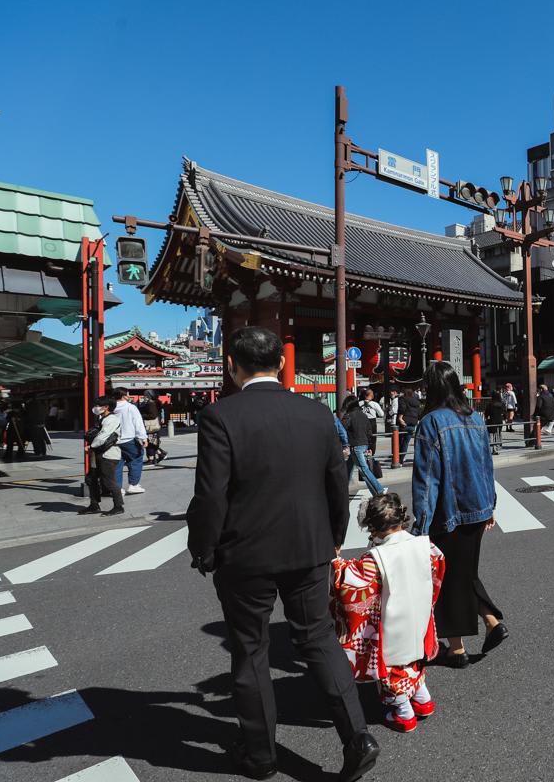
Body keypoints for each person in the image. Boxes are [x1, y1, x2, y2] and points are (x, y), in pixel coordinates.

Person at [185, 326, 379, 782]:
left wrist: (203, 547)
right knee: (317, 638)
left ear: (233, 366)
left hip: (245, 552)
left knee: (251, 649)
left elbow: (211, 495)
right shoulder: (316, 414)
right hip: (310, 545)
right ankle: (357, 736)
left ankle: (261, 754)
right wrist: (334, 535)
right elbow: (337, 481)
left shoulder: (221, 417)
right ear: (281, 364)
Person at [411, 362, 507, 669]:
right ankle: (491, 622)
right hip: (477, 508)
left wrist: (422, 524)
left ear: (432, 388)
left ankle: (457, 649)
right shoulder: (475, 418)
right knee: (463, 572)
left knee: (449, 577)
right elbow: (486, 465)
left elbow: (427, 479)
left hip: (447, 512)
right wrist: (490, 505)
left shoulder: (430, 422)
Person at [330, 492, 445, 733]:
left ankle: (403, 713)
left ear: (374, 527)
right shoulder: (426, 545)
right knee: (415, 658)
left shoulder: (376, 558)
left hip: (392, 620)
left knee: (392, 665)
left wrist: (336, 563)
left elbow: (352, 585)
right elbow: (437, 571)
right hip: (419, 613)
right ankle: (423, 700)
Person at [80, 396, 124, 516]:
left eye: (99, 405)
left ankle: (118, 506)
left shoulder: (112, 419)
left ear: (106, 407)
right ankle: (94, 505)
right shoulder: (102, 418)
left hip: (109, 454)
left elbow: (103, 436)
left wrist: (91, 446)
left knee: (109, 481)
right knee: (91, 478)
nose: (96, 407)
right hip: (99, 453)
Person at [341, 395, 386, 496]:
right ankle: (343, 491)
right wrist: (369, 446)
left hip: (355, 445)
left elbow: (342, 430)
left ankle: (378, 490)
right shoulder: (363, 415)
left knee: (364, 470)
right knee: (348, 468)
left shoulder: (348, 416)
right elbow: (369, 431)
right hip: (364, 444)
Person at [113, 388, 148, 495]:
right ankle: (133, 485)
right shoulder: (130, 407)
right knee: (136, 459)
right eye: (128, 394)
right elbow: (138, 423)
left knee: (117, 464)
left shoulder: (111, 407)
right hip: (128, 439)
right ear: (124, 396)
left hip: (114, 440)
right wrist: (143, 437)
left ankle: (117, 488)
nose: (129, 396)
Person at [139, 390, 168, 465]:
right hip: (153, 425)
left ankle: (156, 456)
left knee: (150, 441)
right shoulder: (154, 402)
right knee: (151, 441)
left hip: (151, 426)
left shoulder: (151, 404)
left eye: (145, 395)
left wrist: (142, 415)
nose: (144, 396)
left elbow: (153, 415)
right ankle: (158, 454)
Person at [395, 386, 421, 465]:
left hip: (404, 422)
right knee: (406, 442)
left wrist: (400, 418)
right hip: (413, 423)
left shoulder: (403, 399)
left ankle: (398, 459)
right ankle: (401, 459)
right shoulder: (416, 401)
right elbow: (418, 412)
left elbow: (402, 408)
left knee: (399, 441)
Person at [359, 388, 384, 456]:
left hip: (362, 421)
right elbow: (381, 414)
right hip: (372, 422)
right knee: (372, 438)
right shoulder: (374, 404)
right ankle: (371, 453)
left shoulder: (359, 403)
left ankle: (364, 452)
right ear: (371, 396)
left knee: (363, 438)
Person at [484, 389, 506, 454]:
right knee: (498, 434)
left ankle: (493, 449)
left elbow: (486, 413)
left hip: (492, 421)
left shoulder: (490, 404)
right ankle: (497, 448)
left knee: (492, 435)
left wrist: (486, 417)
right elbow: (504, 412)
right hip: (499, 421)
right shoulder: (501, 404)